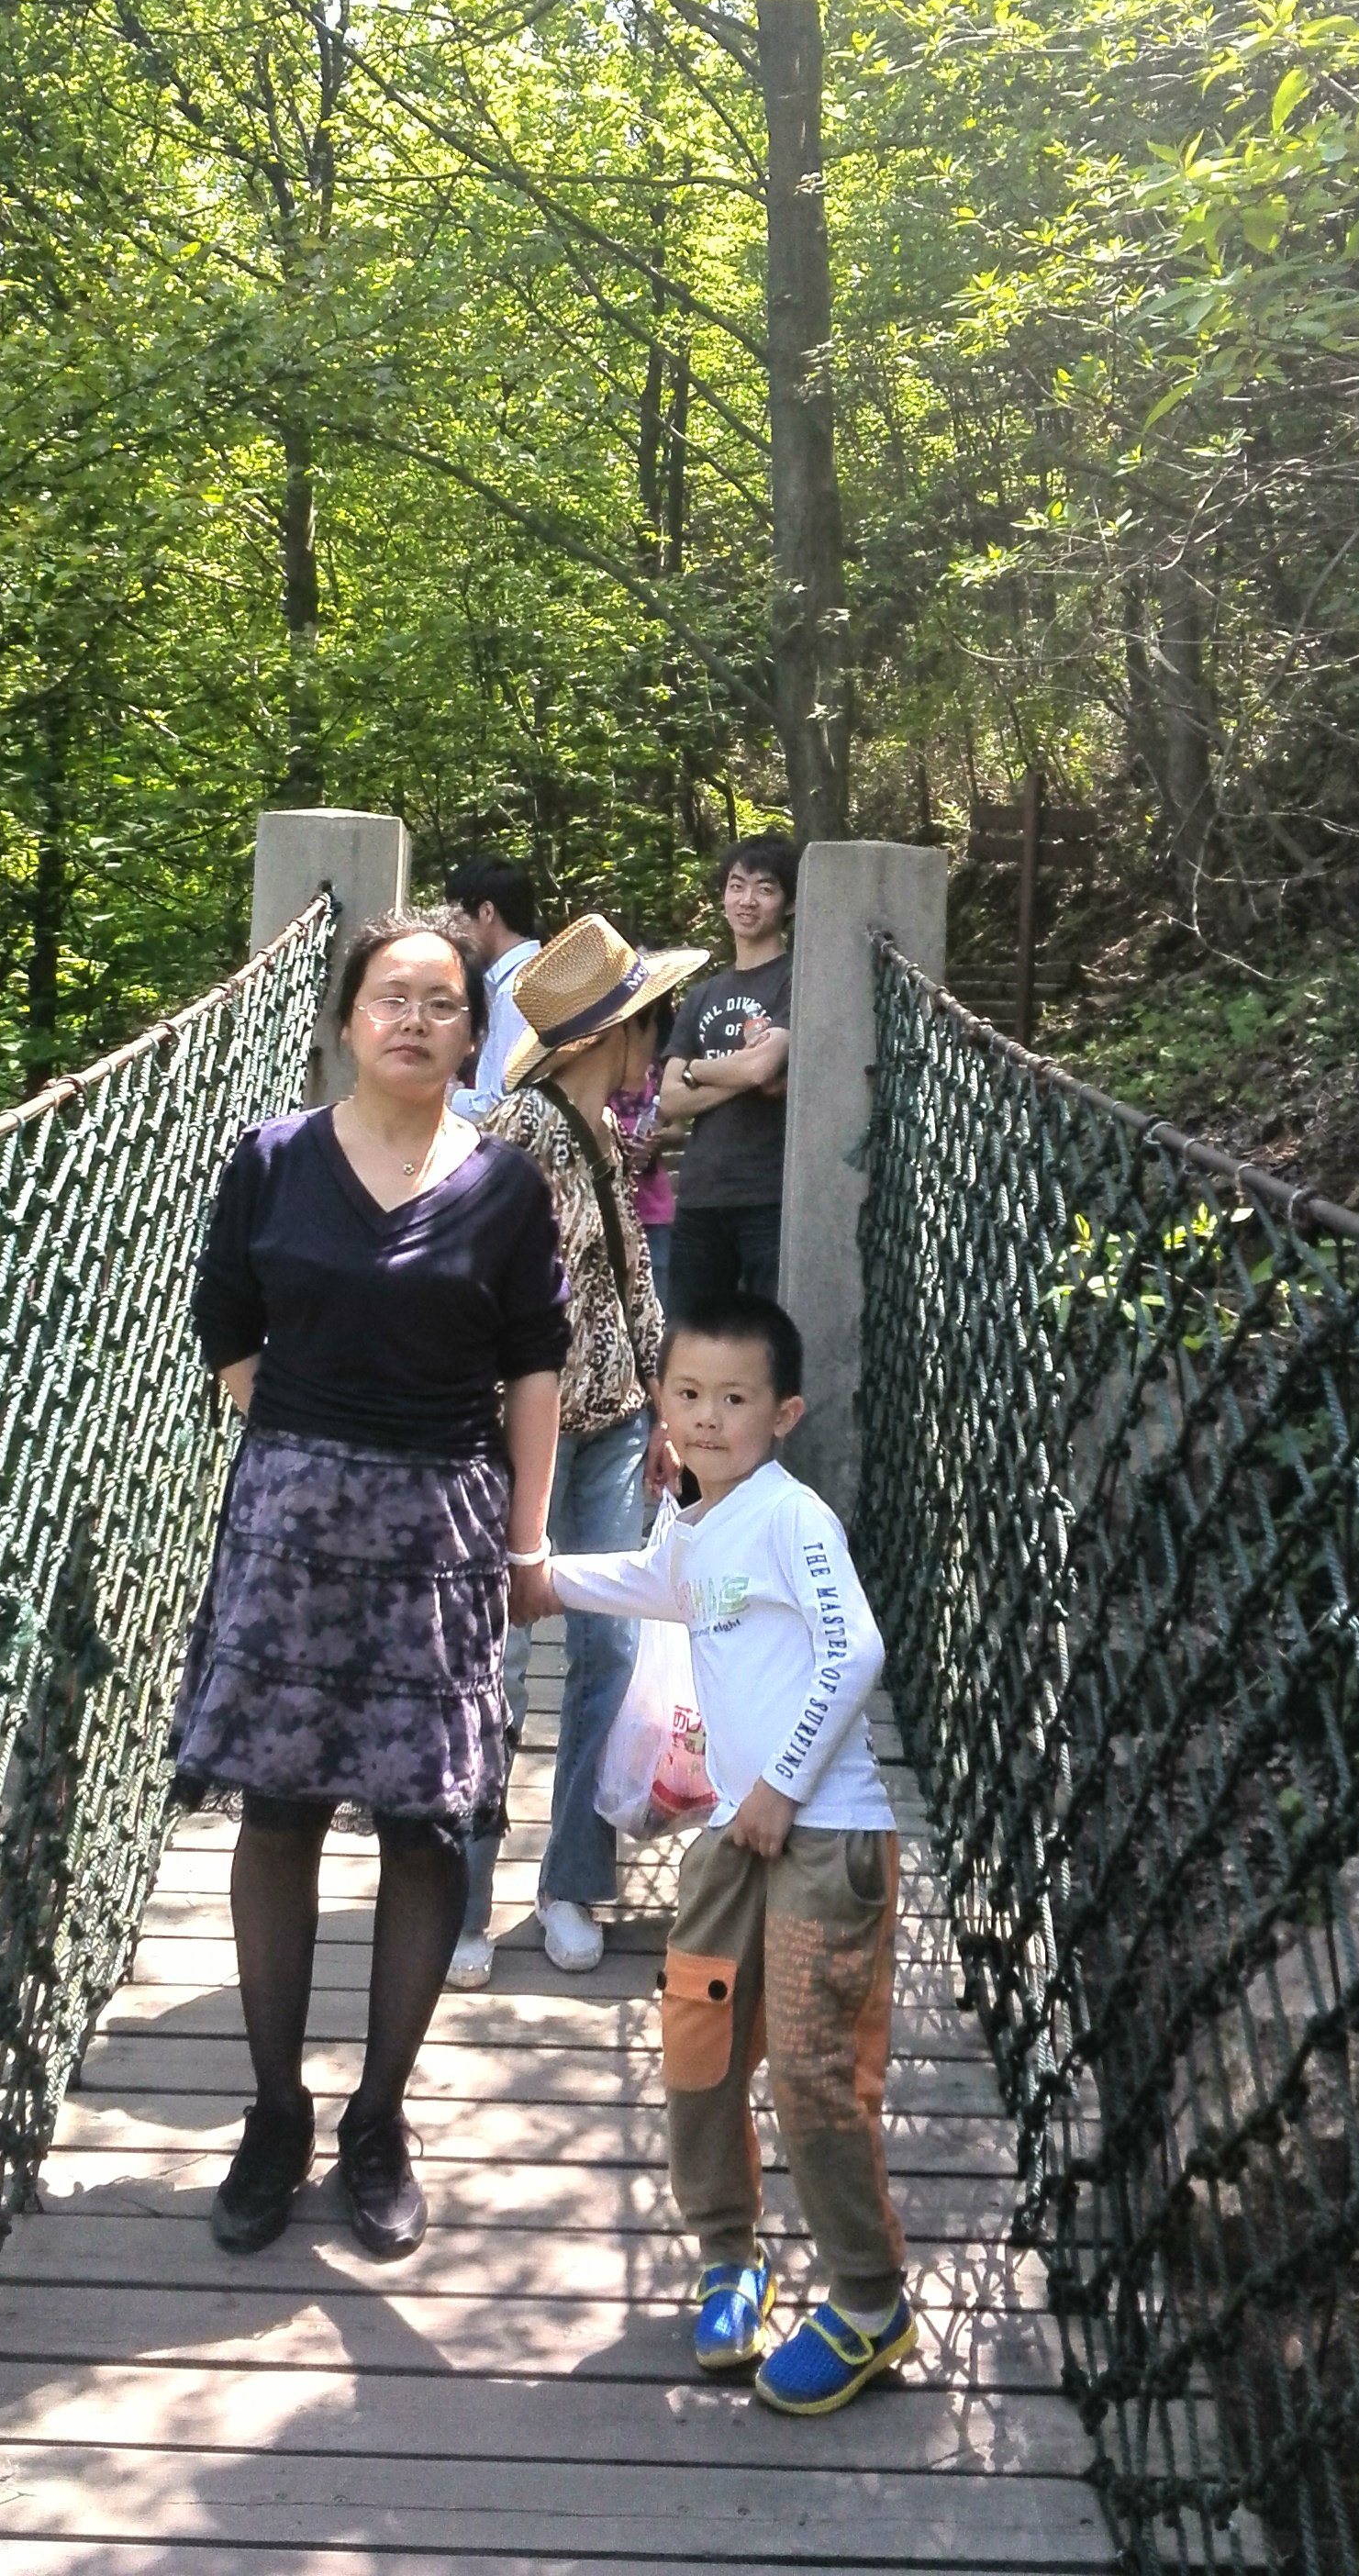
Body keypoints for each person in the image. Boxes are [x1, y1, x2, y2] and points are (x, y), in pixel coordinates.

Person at [173, 907, 567, 2263]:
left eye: (442, 1003)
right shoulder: (272, 1158)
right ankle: (275, 2113)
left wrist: (526, 1543)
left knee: (425, 1824)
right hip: (292, 1526)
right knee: (279, 1811)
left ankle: (379, 2121)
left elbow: (535, 1367)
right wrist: (309, 1447)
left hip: (445, 1525)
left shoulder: (507, 1187)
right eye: (390, 997)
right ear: (346, 1019)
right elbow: (228, 1324)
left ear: (471, 1035)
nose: (413, 1019)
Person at [513, 1292, 914, 2414]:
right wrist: (540, 1577)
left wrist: (782, 1784)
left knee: (812, 2072)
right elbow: (655, 1587)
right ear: (660, 1402)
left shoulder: (793, 1518)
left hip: (822, 1833)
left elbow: (854, 1651)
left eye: (734, 1399)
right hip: (737, 1836)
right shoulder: (694, 1527)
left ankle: (869, 2305)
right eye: (687, 1394)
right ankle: (730, 2256)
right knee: (699, 2044)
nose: (706, 1417)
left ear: (782, 1414)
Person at [447, 915, 706, 1986]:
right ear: (613, 1033)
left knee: (607, 1652)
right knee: (492, 1663)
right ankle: (463, 1904)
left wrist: (662, 1412)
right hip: (515, 1437)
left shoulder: (600, 1128)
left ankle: (568, 1882)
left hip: (610, 1431)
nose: (661, 1040)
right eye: (651, 1022)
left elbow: (630, 1283)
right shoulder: (519, 1137)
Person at [659, 835, 797, 1305]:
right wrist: (741, 1074)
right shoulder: (702, 995)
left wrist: (697, 1069)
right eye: (737, 886)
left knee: (770, 1335)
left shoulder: (796, 979)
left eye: (765, 888)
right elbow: (670, 1099)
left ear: (789, 903)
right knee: (690, 1333)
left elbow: (760, 1067)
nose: (747, 900)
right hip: (700, 1195)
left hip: (769, 1195)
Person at [443, 856, 540, 1119]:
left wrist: (450, 1097)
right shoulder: (534, 973)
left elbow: (503, 1105)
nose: (453, 934)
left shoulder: (514, 990)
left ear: (486, 912)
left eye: (458, 920)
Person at [607, 991, 679, 1311]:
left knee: (658, 1301)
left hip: (654, 1209)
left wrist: (655, 1138)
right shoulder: (602, 1078)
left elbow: (676, 1126)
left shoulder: (654, 1074)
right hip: (613, 1208)